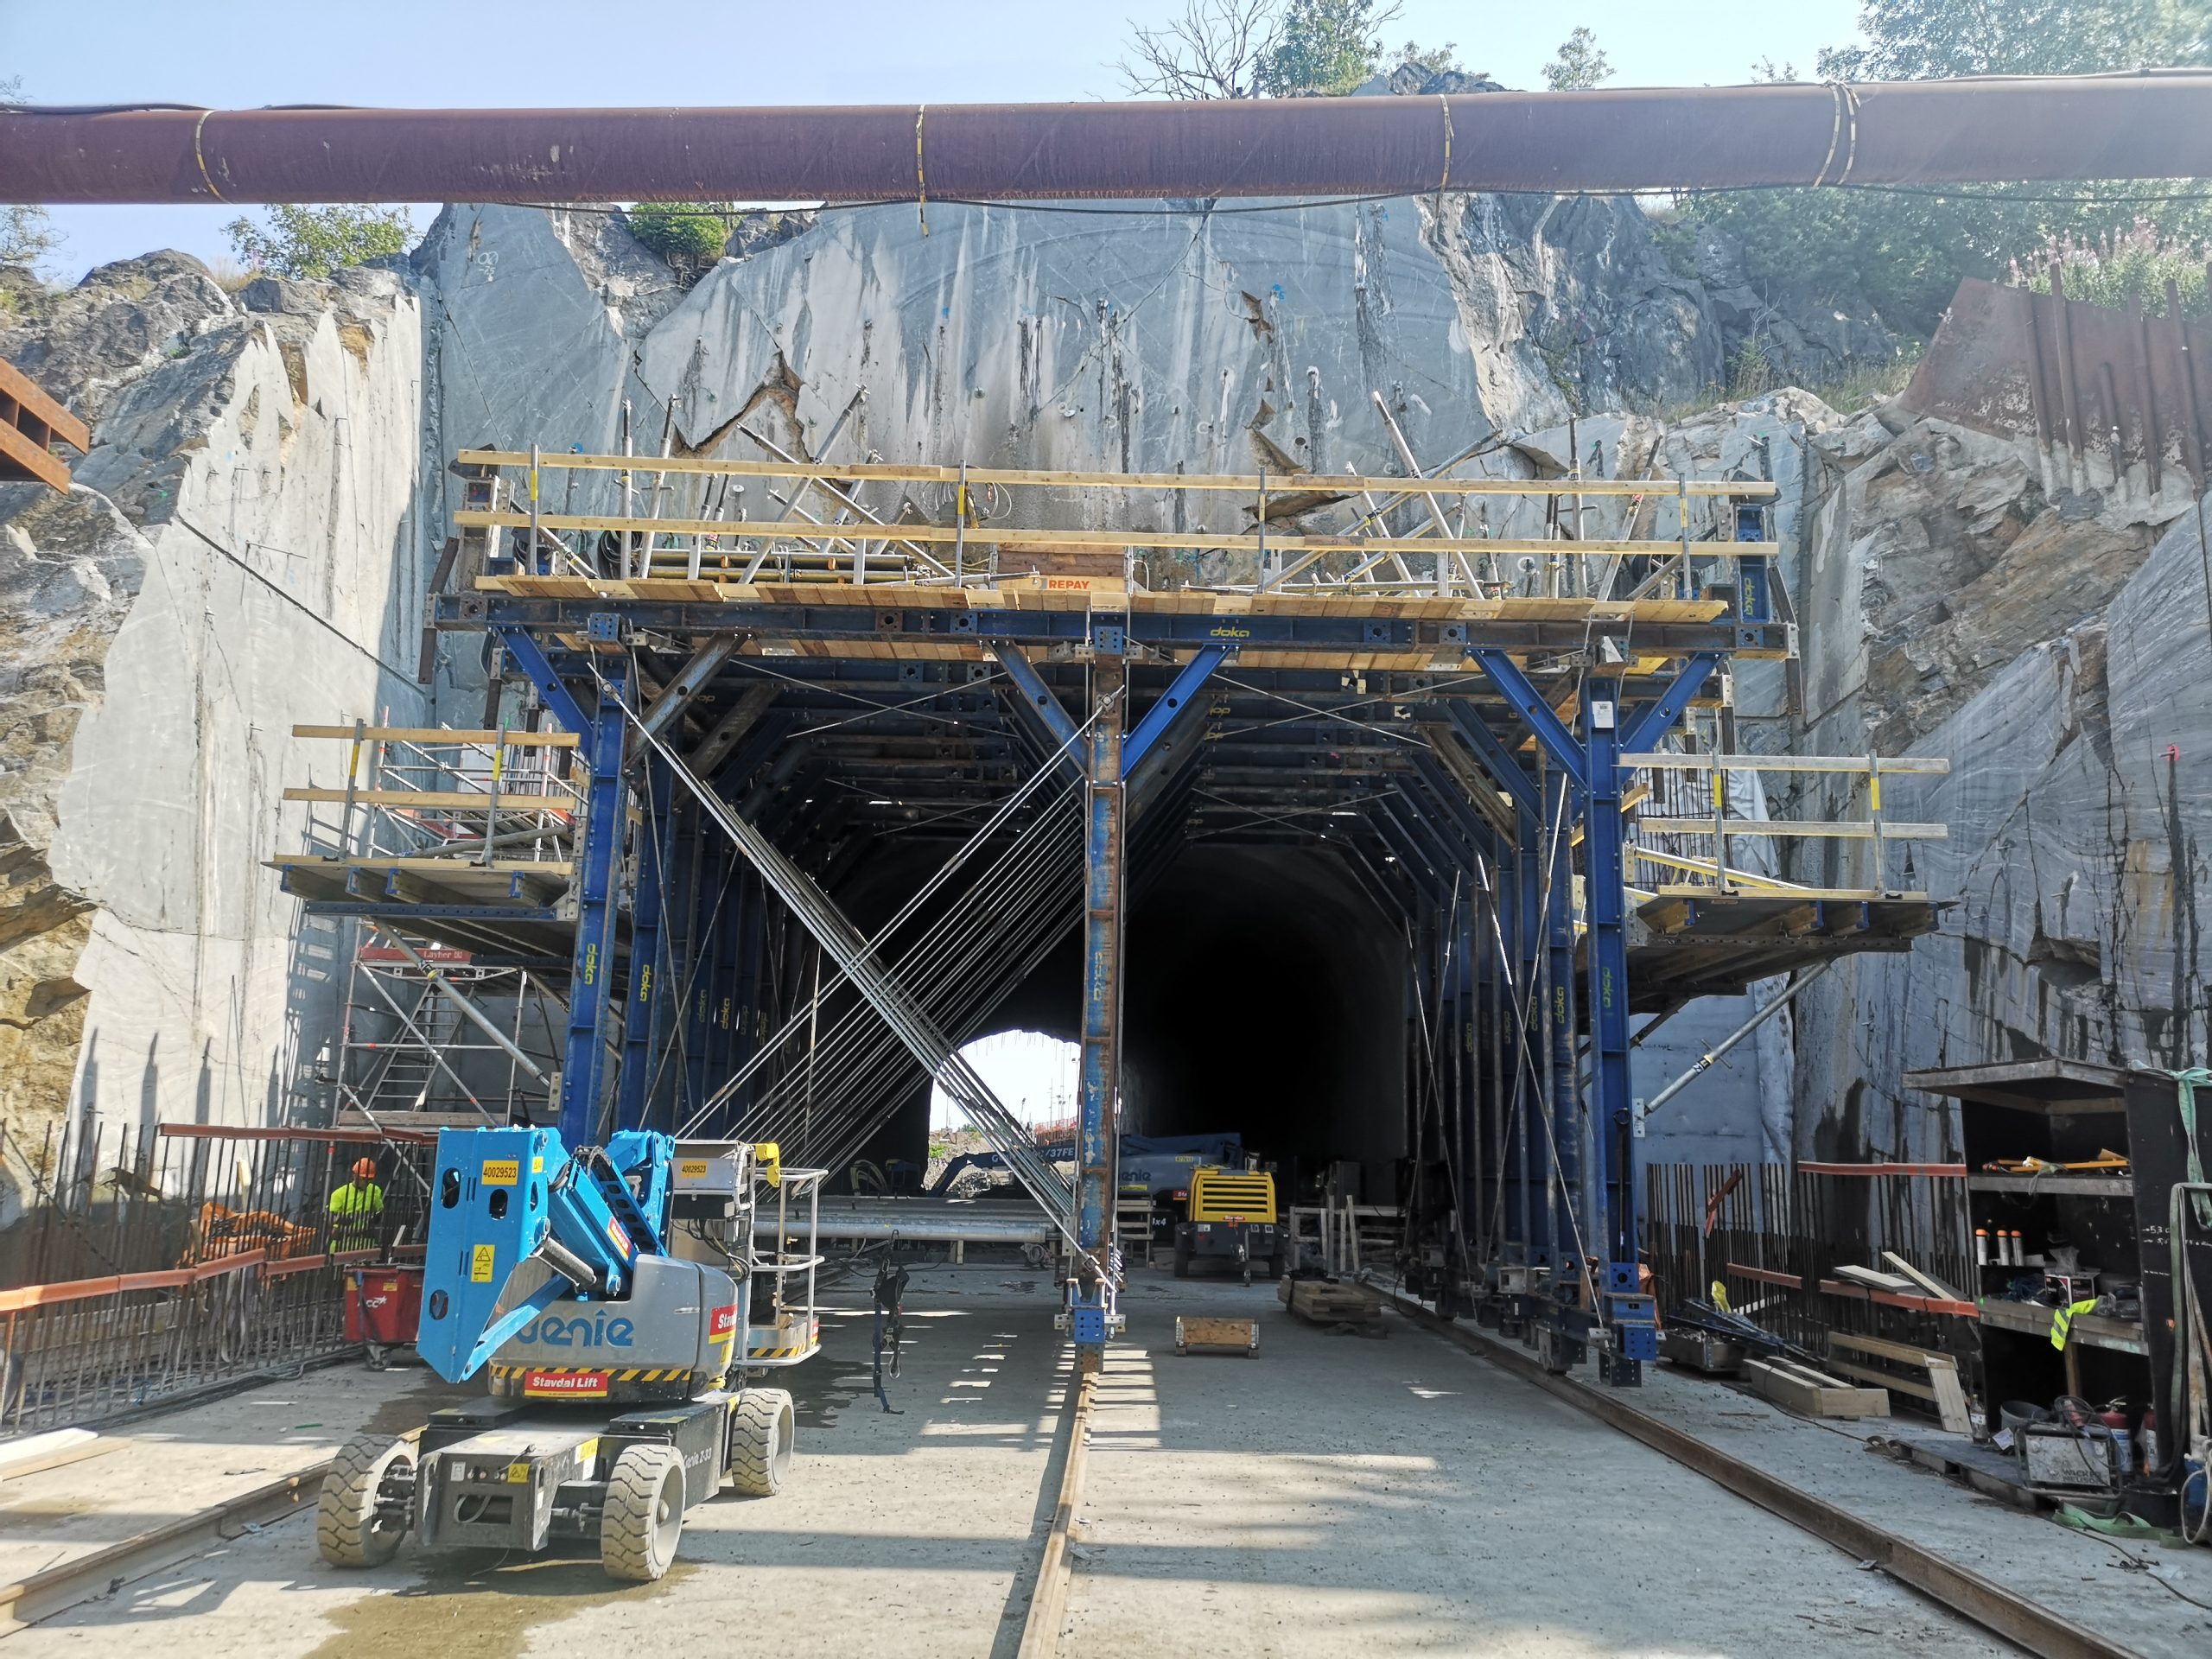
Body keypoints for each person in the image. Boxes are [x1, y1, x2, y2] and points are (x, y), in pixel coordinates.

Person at [328, 1157, 385, 1253]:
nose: (367, 1182)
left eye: (370, 1179)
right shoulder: (339, 1194)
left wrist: (376, 1218)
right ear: (355, 1175)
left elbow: (380, 1211)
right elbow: (331, 1217)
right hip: (343, 1242)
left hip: (365, 1242)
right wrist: (339, 1223)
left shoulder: (375, 1191)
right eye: (364, 1178)